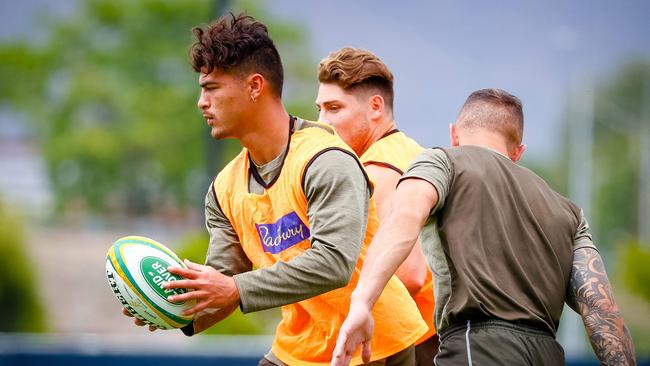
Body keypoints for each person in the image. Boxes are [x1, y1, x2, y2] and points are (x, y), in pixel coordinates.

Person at [124, 13, 427, 365]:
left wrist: (235, 290)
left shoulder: (325, 159)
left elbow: (333, 263)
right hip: (299, 349)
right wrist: (171, 308)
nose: (201, 102)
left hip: (373, 347)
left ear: (255, 86)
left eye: (212, 88)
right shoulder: (224, 189)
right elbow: (223, 284)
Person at [331, 88, 636, 366]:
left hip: (477, 347)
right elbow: (603, 313)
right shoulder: (569, 211)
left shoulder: (442, 161)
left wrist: (362, 302)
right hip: (548, 354)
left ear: (454, 134)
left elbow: (404, 217)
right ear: (518, 151)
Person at [316, 47, 438, 365]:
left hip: (419, 341)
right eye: (320, 109)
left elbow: (409, 274)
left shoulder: (378, 167)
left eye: (334, 108)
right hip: (437, 332)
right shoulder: (410, 150)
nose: (322, 123)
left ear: (375, 107)